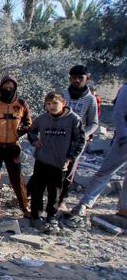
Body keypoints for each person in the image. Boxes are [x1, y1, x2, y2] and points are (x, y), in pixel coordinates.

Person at [27, 92, 85, 232]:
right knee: (37, 189)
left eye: (54, 103)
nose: (51, 107)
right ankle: (35, 215)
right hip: (42, 159)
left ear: (63, 103)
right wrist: (35, 141)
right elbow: (31, 131)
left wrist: (70, 157)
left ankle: (51, 215)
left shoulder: (73, 119)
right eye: (48, 104)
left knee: (55, 191)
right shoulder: (42, 118)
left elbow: (80, 140)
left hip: (60, 161)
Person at [0, 75, 32, 222]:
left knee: (17, 179)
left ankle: (24, 207)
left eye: (11, 87)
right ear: (0, 87)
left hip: (13, 147)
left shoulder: (22, 104)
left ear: (15, 88)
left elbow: (29, 123)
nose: (7, 90)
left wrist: (19, 133)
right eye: (5, 87)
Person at [71, 81, 127, 218]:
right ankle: (85, 203)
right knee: (106, 171)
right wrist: (123, 136)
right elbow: (119, 114)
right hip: (124, 139)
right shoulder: (126, 89)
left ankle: (124, 208)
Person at [59, 65, 99, 210]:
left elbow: (94, 123)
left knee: (69, 171)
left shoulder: (90, 99)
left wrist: (83, 135)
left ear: (86, 78)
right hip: (59, 138)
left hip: (76, 141)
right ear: (70, 78)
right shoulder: (63, 95)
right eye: (73, 77)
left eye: (80, 78)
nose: (76, 80)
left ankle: (61, 200)